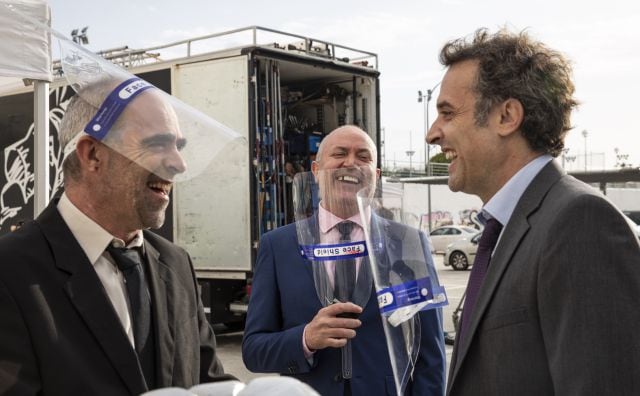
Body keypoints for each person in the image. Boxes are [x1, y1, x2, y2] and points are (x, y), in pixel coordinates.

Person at [426, 28, 640, 395]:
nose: (432, 133)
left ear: (507, 116)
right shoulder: (510, 228)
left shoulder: (580, 223)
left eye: (447, 113)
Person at [0, 83, 233, 395]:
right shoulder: (11, 272)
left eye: (180, 146)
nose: (180, 164)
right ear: (93, 154)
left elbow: (207, 382)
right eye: (159, 144)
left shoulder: (176, 264)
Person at [242, 125, 445, 395]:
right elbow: (254, 350)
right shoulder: (278, 246)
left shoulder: (408, 242)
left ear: (376, 175)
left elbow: (430, 355)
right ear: (315, 171)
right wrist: (306, 339)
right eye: (339, 154)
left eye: (363, 157)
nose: (350, 163)